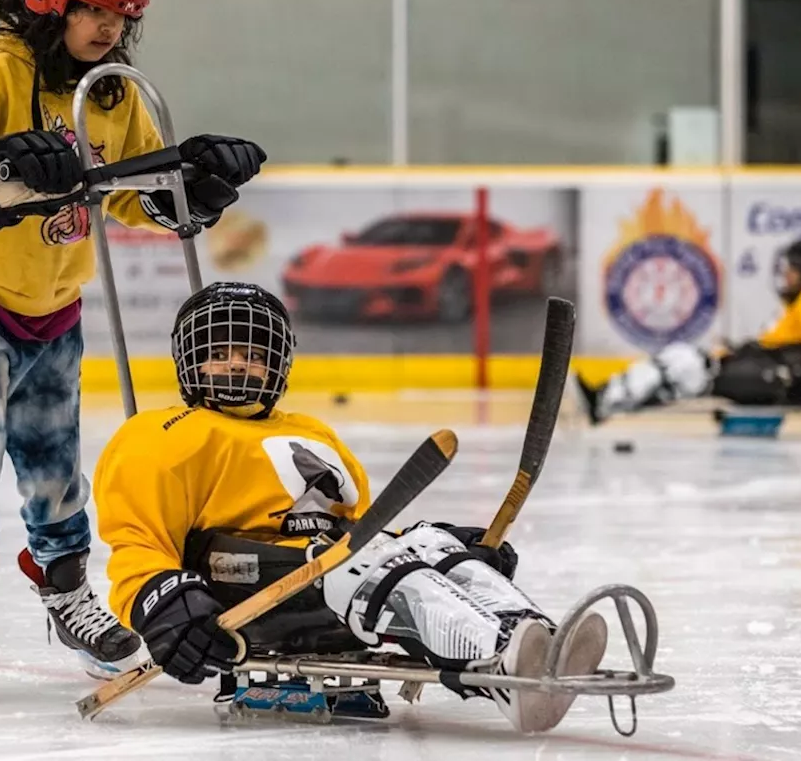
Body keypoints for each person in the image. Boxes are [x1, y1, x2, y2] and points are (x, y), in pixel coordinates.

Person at [0, 0, 267, 700]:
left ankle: (66, 590)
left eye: (121, 15)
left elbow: (136, 193)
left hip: (55, 301)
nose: (109, 28)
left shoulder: (109, 96)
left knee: (53, 458)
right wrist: (2, 165)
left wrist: (193, 185)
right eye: (92, 9)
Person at [92, 282, 608, 733]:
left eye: (253, 354)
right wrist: (163, 603)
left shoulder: (313, 433)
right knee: (369, 562)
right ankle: (501, 665)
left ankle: (536, 638)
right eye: (220, 352)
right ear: (188, 360)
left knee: (431, 546)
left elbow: (360, 529)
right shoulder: (158, 435)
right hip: (243, 582)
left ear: (279, 365)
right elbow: (136, 542)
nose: (237, 364)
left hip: (326, 567)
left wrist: (450, 552)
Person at [576, 238, 801, 425]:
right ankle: (605, 400)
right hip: (772, 372)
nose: (788, 274)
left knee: (685, 366)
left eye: (795, 268)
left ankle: (603, 401)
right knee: (685, 366)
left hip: (776, 378)